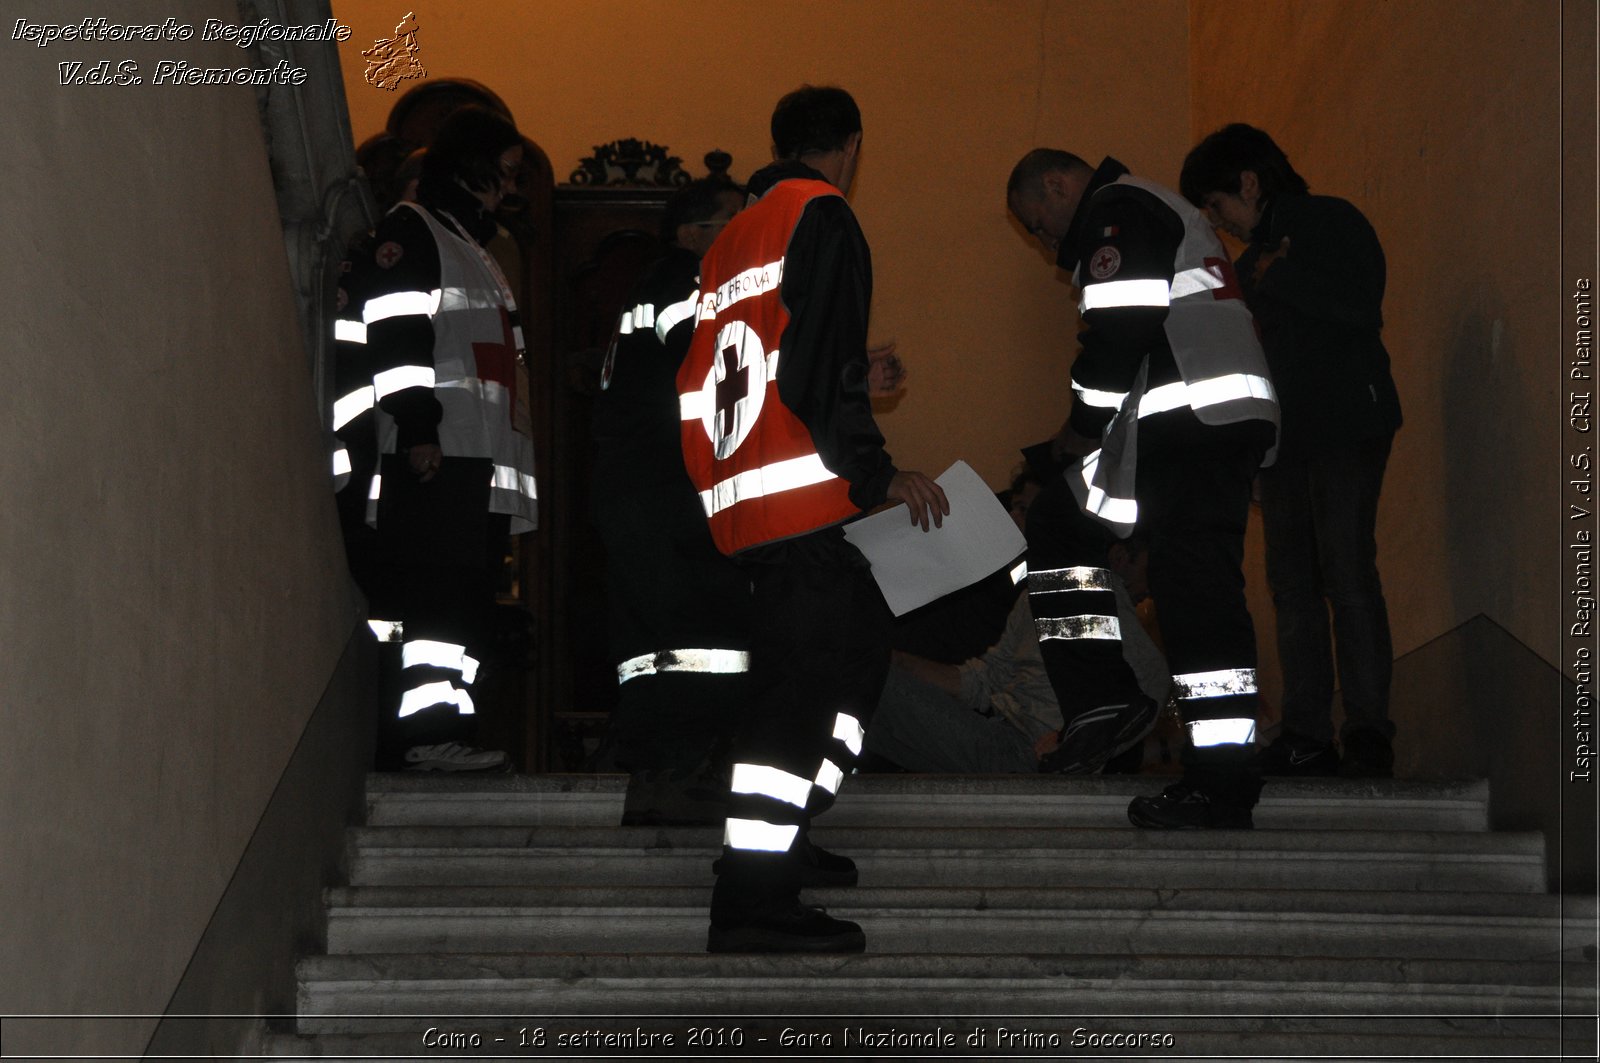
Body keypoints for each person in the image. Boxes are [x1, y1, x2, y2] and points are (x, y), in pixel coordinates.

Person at [677, 86, 949, 952]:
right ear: (852, 145)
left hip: (749, 505)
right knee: (802, 701)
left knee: (836, 664)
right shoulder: (823, 214)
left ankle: (780, 843)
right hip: (805, 506)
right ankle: (753, 898)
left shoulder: (732, 235)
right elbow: (815, 370)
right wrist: (877, 472)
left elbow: (727, 376)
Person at [1006, 148, 1279, 828]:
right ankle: (1101, 698)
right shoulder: (1142, 209)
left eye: (1039, 224)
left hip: (1196, 426)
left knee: (1197, 596)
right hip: (1174, 430)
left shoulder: (1119, 209)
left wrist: (1076, 432)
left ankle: (1221, 779)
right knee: (1058, 524)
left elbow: (1120, 328)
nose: (1045, 246)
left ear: (1060, 183)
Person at [1180, 124, 1402, 778]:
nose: (1218, 222)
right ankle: (1307, 732)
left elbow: (1360, 307)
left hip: (1346, 427)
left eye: (1217, 206)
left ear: (1249, 183)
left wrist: (1281, 275)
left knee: (1346, 569)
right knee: (1292, 584)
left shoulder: (1329, 221)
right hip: (1284, 446)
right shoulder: (1249, 265)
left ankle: (1367, 731)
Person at [349, 106, 536, 771]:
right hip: (438, 455)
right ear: (472, 167)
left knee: (461, 597)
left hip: (470, 458)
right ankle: (426, 734)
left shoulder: (468, 242)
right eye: (506, 171)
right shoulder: (416, 232)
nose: (511, 188)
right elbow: (395, 329)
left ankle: (445, 728)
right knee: (438, 596)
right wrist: (420, 425)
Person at [591, 178, 751, 824]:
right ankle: (682, 769)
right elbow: (714, 367)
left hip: (639, 492)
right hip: (671, 494)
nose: (744, 236)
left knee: (654, 639)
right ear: (694, 235)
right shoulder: (688, 281)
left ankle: (650, 760)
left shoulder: (651, 286)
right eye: (732, 224)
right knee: (697, 633)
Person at [866, 542, 1168, 774]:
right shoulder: (1037, 595)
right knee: (859, 681)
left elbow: (1139, 708)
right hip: (996, 732)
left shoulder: (1109, 607)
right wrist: (897, 662)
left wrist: (1069, 742)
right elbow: (984, 680)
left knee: (855, 674)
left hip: (1026, 750)